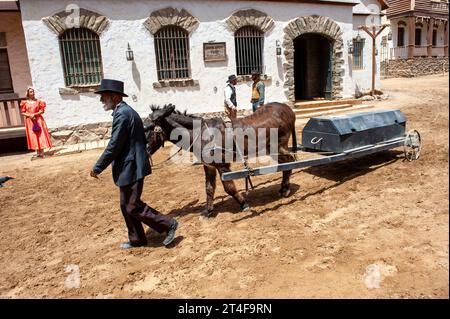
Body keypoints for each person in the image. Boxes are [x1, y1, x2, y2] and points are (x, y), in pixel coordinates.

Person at [90, 79, 178, 250]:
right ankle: (137, 238)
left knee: (132, 206)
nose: (101, 100)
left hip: (132, 166)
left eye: (104, 96)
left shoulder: (123, 114)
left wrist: (98, 167)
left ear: (114, 97)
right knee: (126, 205)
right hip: (129, 165)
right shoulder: (123, 111)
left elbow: (114, 145)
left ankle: (169, 224)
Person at [20, 87, 53, 158]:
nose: (32, 93)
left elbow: (42, 111)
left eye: (33, 91)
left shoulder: (39, 102)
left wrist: (34, 114)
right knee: (33, 135)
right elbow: (23, 112)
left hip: (38, 119)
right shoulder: (24, 103)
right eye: (31, 92)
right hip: (30, 121)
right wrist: (29, 115)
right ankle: (37, 152)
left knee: (40, 134)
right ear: (28, 93)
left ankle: (42, 152)